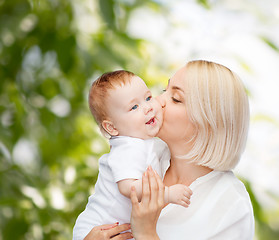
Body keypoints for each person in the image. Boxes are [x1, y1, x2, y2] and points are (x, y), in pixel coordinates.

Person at [85, 60, 255, 240]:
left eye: (175, 98)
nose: (158, 102)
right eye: (163, 91)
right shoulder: (146, 155)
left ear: (209, 123)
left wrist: (146, 233)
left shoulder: (231, 204)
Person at [73, 70, 192, 240]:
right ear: (112, 128)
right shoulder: (129, 147)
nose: (148, 107)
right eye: (134, 107)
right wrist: (167, 194)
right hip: (97, 228)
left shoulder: (147, 142)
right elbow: (128, 187)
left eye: (148, 97)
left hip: (118, 229)